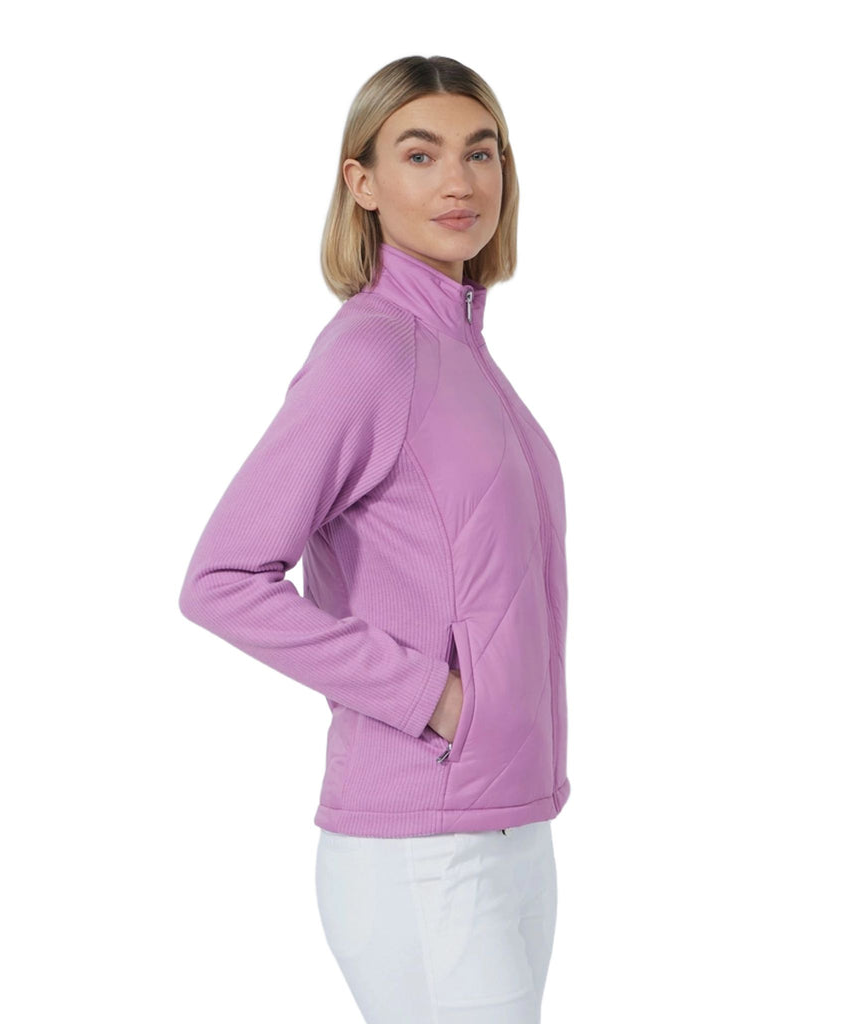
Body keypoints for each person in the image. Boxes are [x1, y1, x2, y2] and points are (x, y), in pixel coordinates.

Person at [179, 54, 569, 1024]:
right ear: (361, 182)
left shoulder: (465, 355)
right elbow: (222, 578)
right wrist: (428, 697)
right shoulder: (374, 348)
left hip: (510, 826)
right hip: (422, 846)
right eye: (420, 154)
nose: (459, 181)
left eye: (481, 152)